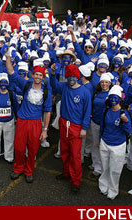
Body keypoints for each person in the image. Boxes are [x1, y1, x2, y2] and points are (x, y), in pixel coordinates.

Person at [5, 51, 52, 183]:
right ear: (33, 75)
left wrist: (45, 129)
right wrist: (8, 56)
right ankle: (18, 168)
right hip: (22, 121)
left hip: (36, 123)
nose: (38, 77)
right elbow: (11, 72)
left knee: (32, 149)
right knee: (19, 147)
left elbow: (47, 111)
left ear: (43, 77)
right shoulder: (25, 84)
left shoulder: (46, 91)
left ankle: (29, 171)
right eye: (36, 74)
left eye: (40, 75)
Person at [51, 64, 91, 193]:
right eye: (69, 77)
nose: (71, 79)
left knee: (75, 155)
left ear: (78, 77)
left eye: (74, 76)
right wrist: (52, 73)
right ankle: (66, 172)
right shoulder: (65, 87)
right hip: (64, 123)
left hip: (76, 126)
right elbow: (55, 85)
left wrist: (84, 128)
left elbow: (87, 111)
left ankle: (76, 181)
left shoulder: (85, 92)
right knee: (65, 151)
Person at [99, 85, 132, 200]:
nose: (113, 100)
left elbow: (128, 131)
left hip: (118, 145)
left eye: (115, 97)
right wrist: (100, 139)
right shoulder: (106, 110)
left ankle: (113, 190)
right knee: (105, 166)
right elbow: (102, 126)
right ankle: (103, 186)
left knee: (115, 169)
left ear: (120, 99)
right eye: (111, 97)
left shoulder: (124, 113)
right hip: (105, 142)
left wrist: (126, 121)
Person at [0, 73, 18, 163]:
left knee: (9, 139)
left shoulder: (11, 94)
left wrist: (18, 118)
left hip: (9, 121)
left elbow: (16, 106)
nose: (3, 84)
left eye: (5, 82)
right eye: (1, 82)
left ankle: (9, 157)